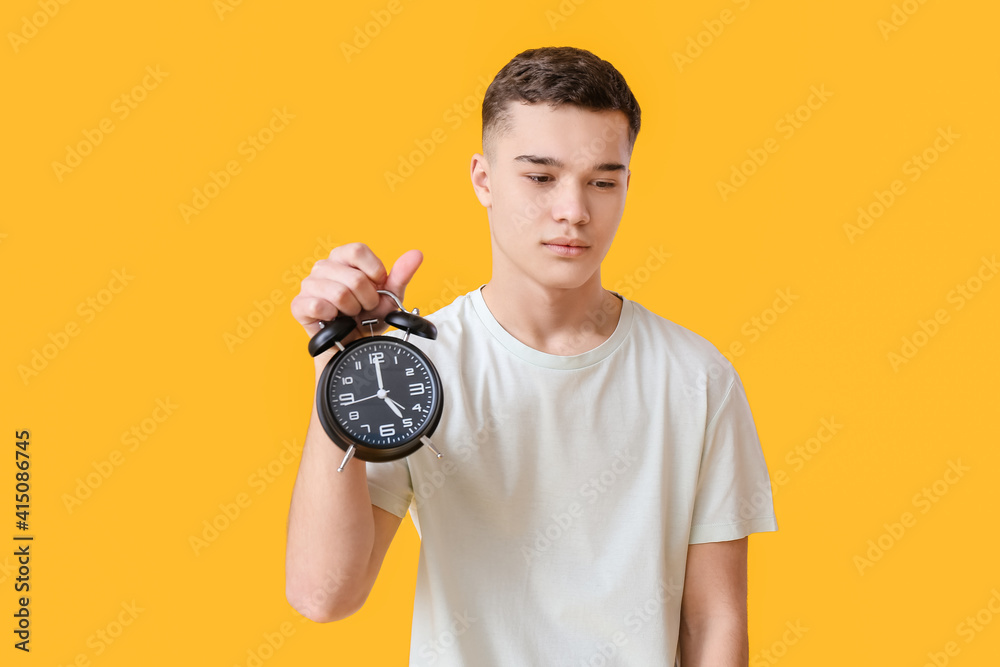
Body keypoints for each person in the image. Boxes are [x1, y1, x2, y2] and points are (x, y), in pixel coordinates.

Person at [285, 45, 778, 666]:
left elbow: (714, 623)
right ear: (483, 180)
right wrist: (343, 373)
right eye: (541, 178)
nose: (574, 211)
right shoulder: (416, 368)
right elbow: (323, 594)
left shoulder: (696, 377)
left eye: (603, 181)